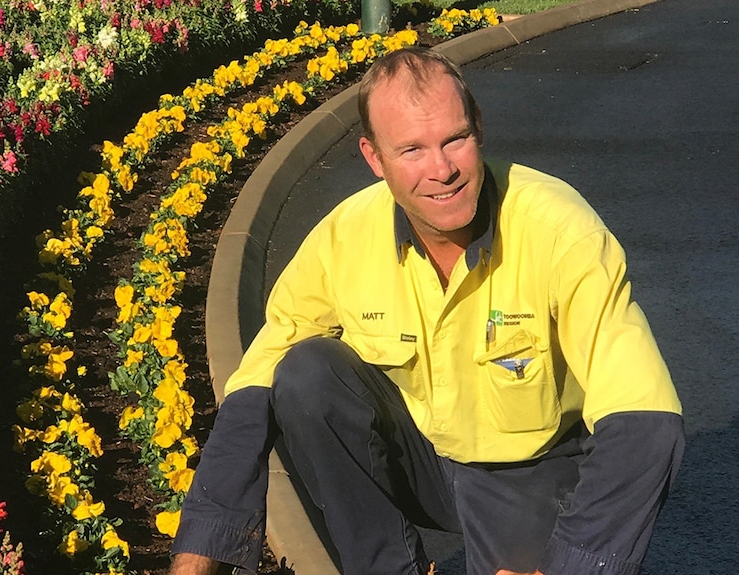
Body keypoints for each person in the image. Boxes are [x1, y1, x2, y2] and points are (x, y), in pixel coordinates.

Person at [169, 47, 684, 575]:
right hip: (422, 455)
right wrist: (197, 557)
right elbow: (255, 384)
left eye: (454, 139)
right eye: (412, 149)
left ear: (478, 127)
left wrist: (573, 567)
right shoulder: (344, 237)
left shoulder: (558, 230)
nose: (441, 170)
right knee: (303, 375)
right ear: (375, 159)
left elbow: (646, 421)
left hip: (531, 467)